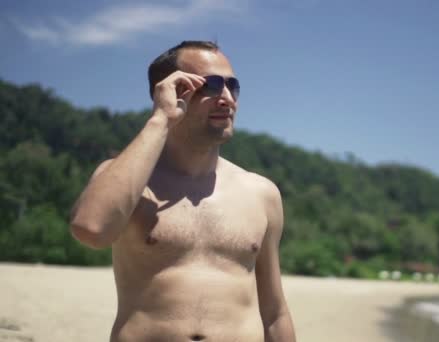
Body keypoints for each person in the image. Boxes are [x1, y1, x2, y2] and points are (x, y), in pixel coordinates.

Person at [70, 40, 296, 342]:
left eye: (233, 86)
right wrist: (160, 119)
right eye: (211, 85)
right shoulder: (127, 180)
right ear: (169, 92)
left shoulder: (261, 194)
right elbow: (91, 229)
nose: (227, 98)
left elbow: (274, 313)